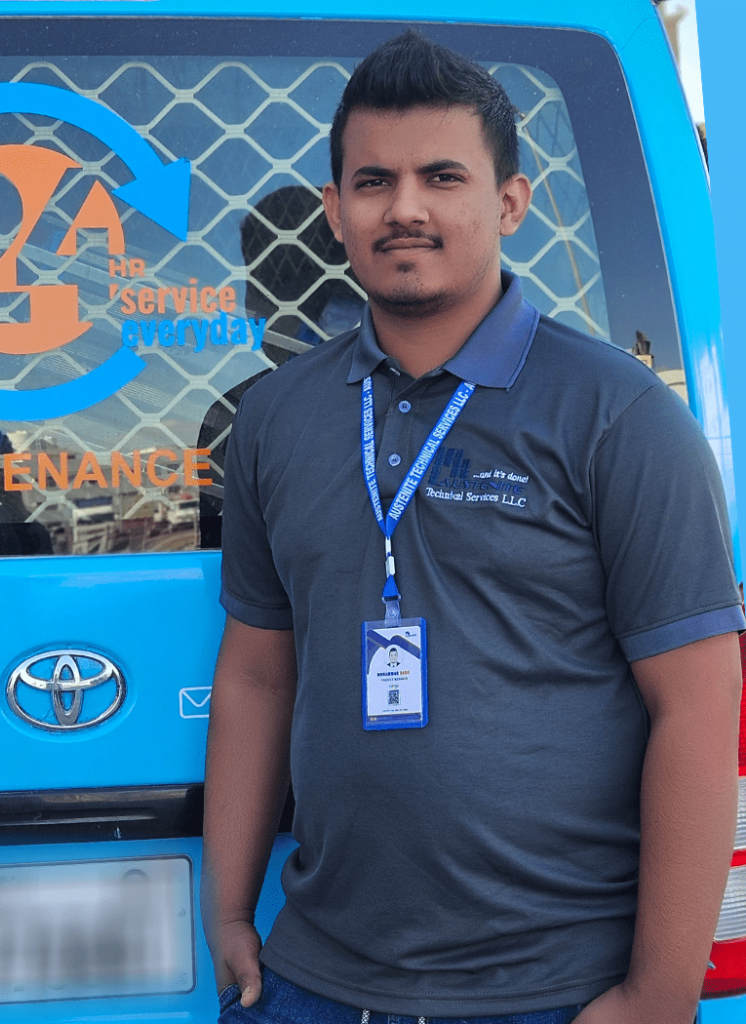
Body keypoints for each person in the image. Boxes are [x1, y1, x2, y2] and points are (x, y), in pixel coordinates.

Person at [201, 30, 744, 1024]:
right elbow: (255, 672)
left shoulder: (618, 415)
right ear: (334, 212)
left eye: (441, 175)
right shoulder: (275, 418)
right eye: (372, 180)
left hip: (553, 993)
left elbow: (700, 711)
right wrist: (229, 905)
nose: (403, 207)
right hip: (314, 980)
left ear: (509, 202)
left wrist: (659, 994)